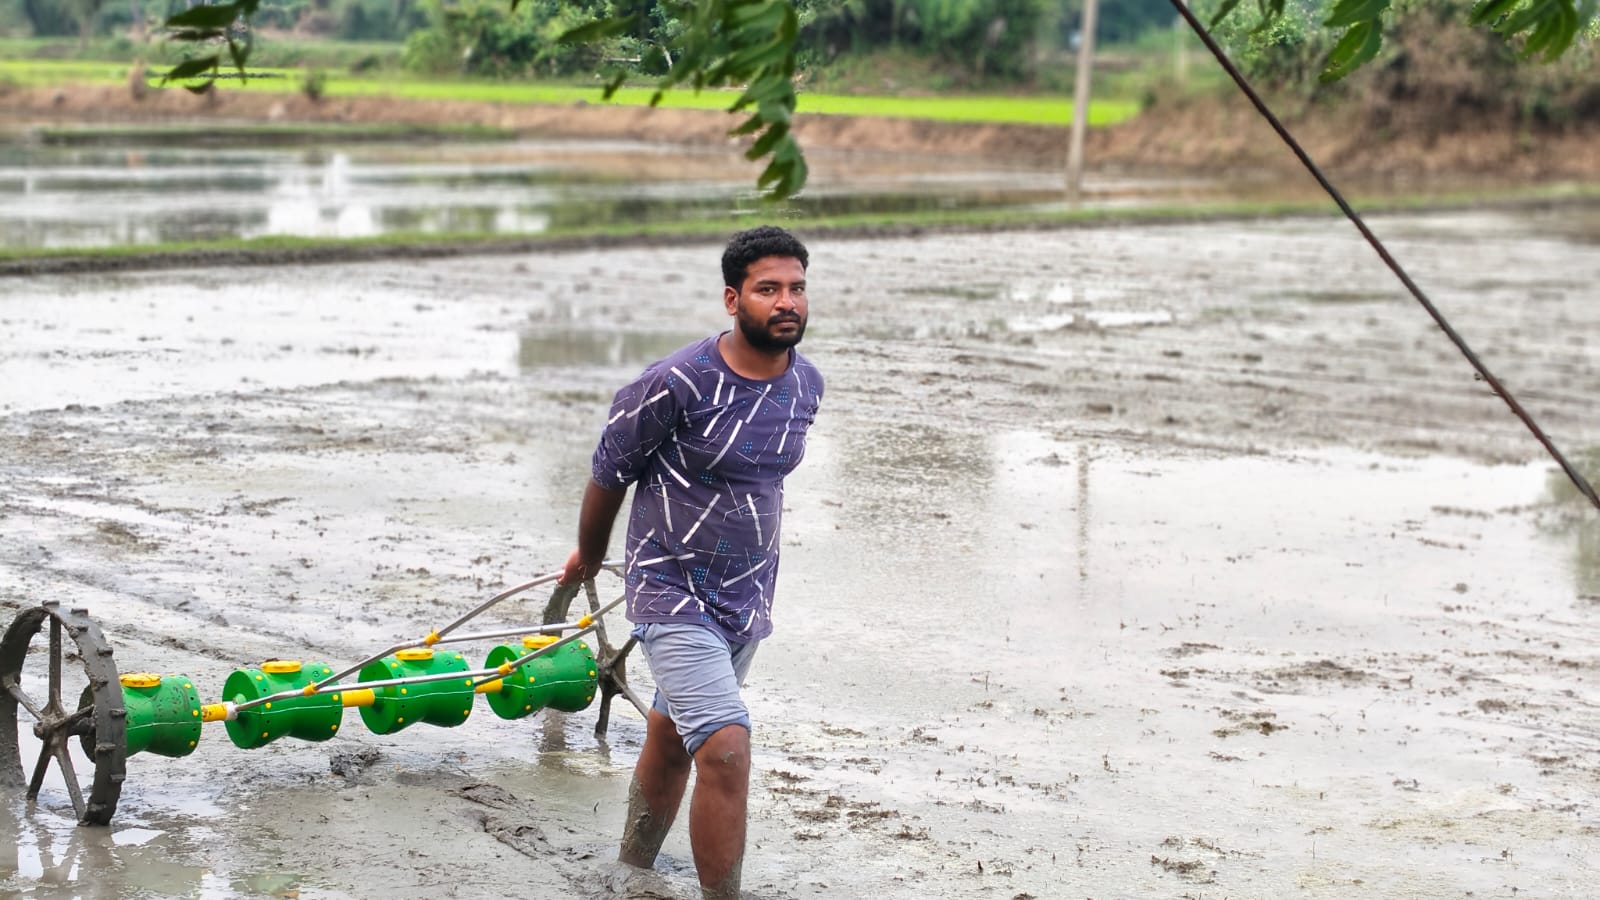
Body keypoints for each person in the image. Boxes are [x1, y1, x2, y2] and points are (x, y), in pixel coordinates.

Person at [560, 225, 822, 899]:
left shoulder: (806, 386)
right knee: (727, 748)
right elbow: (610, 470)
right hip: (669, 587)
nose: (785, 301)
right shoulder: (677, 382)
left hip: (747, 596)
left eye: (796, 288)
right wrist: (589, 558)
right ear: (733, 299)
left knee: (675, 732)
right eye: (768, 289)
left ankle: (631, 869)